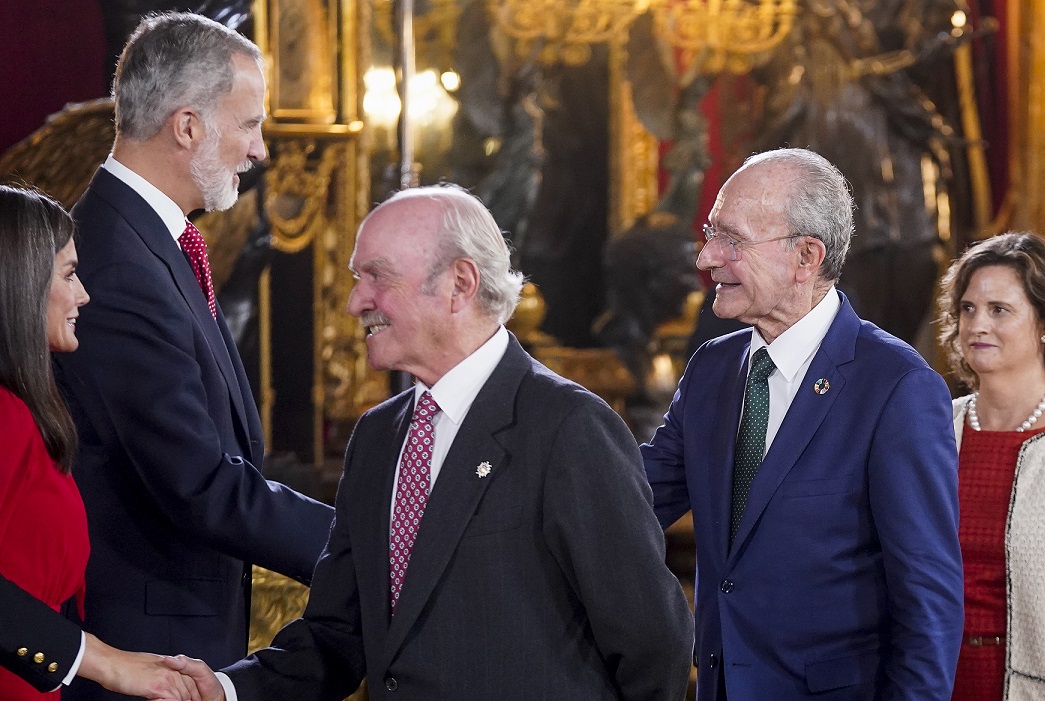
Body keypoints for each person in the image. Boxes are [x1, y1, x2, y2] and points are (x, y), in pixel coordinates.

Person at [167, 184, 695, 700]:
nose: (355, 302)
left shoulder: (569, 427)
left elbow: (653, 644)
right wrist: (230, 689)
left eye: (377, 277)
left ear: (460, 284)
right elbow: (337, 634)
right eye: (356, 278)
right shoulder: (378, 437)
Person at [51, 13, 335, 700]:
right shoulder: (117, 263)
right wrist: (364, 540)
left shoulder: (147, 241)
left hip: (178, 639)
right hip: (142, 655)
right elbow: (198, 481)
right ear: (187, 126)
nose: (261, 150)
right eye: (249, 125)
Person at [642, 148, 965, 699]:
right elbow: (633, 495)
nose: (707, 257)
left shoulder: (895, 388)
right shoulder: (712, 369)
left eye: (733, 240)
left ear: (806, 256)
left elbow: (928, 603)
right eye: (710, 232)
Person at [0, 185, 199, 700]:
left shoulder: (23, 408)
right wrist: (104, 664)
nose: (84, 293)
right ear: (18, 283)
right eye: (68, 274)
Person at [937, 232, 1045, 700]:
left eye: (999, 310)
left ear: (1044, 322)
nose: (977, 324)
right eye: (967, 308)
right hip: (933, 676)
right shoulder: (932, 430)